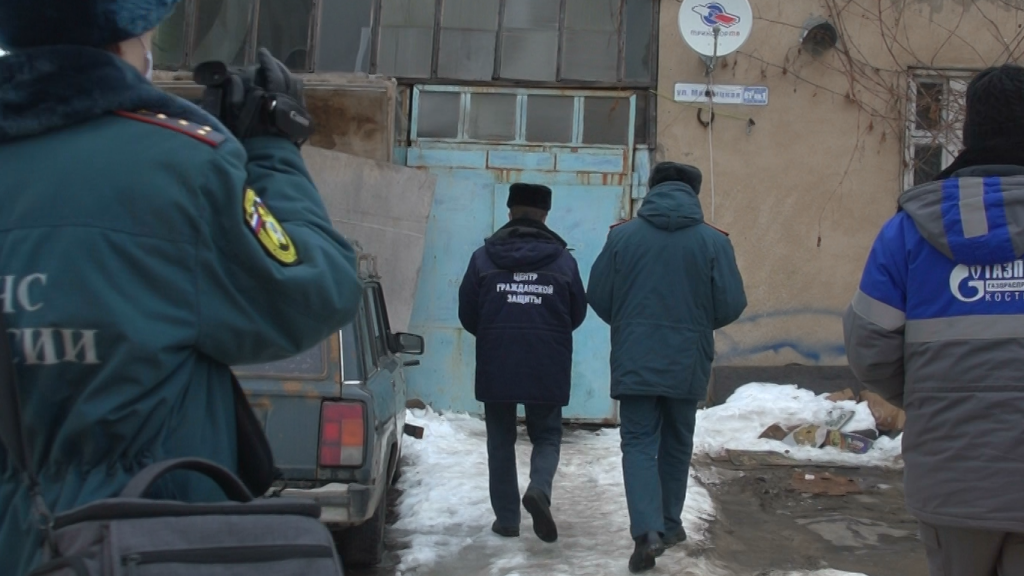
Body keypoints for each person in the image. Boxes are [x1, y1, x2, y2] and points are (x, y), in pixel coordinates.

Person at [0, 2, 363, 574]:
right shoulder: (180, 165)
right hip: (150, 537)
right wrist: (272, 152)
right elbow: (316, 292)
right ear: (128, 35)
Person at [845, 64, 1024, 576]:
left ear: (967, 133)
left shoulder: (906, 232)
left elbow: (869, 349)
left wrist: (933, 393)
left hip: (951, 476)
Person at [588, 162, 746, 573]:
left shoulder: (622, 236)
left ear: (651, 188)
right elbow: (731, 304)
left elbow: (599, 294)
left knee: (639, 442)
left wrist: (629, 323)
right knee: (677, 441)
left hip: (635, 356)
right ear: (695, 192)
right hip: (688, 358)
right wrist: (696, 325)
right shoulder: (714, 241)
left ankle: (647, 533)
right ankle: (671, 524)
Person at [458, 183, 587, 543]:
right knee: (547, 435)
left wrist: (495, 333)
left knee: (500, 439)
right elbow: (577, 313)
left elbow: (468, 313)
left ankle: (507, 521)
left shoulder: (482, 259)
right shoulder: (563, 262)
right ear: (545, 214)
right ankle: (539, 489)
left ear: (509, 210)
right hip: (547, 359)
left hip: (497, 359)